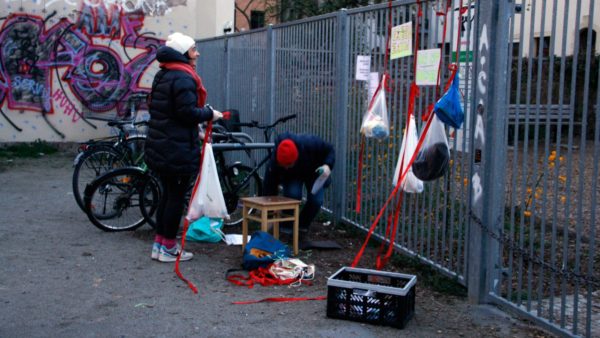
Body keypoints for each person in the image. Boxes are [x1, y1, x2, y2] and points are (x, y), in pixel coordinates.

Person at [145, 32, 223, 263]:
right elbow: (186, 112)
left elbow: (170, 114)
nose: (197, 53)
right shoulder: (183, 78)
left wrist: (196, 132)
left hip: (163, 145)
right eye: (193, 50)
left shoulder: (164, 74)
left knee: (167, 196)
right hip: (175, 150)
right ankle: (168, 248)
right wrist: (210, 114)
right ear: (183, 54)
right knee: (175, 198)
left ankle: (159, 245)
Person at [262, 132, 335, 244]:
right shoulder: (275, 162)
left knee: (316, 201)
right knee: (292, 196)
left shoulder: (312, 143)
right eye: (283, 165)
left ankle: (301, 229)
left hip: (314, 171)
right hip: (292, 176)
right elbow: (270, 185)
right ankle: (285, 229)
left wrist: (327, 165)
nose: (286, 167)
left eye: (288, 164)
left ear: (295, 158)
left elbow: (330, 150)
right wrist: (269, 214)